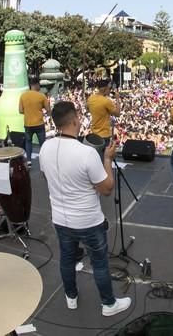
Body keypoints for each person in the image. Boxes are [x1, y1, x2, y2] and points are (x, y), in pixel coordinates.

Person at [39, 101, 131, 316]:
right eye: (78, 117)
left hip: (60, 219)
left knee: (67, 258)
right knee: (99, 262)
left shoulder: (45, 147)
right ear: (74, 120)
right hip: (88, 220)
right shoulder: (87, 153)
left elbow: (46, 177)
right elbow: (107, 188)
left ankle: (71, 297)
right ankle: (108, 304)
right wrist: (107, 159)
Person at [19, 78, 50, 167]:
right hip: (39, 124)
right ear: (36, 85)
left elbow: (20, 111)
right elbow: (48, 110)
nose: (39, 86)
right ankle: (44, 162)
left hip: (28, 124)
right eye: (39, 85)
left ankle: (29, 161)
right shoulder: (41, 96)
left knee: (28, 142)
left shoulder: (23, 96)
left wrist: (29, 111)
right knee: (42, 144)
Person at [87, 79, 120, 147]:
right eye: (109, 89)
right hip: (104, 135)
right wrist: (117, 99)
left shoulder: (90, 98)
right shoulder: (106, 101)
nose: (110, 90)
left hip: (94, 134)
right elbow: (117, 114)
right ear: (105, 89)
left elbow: (87, 108)